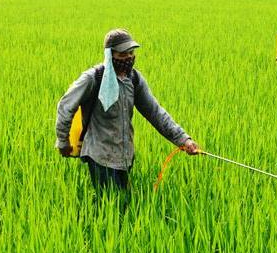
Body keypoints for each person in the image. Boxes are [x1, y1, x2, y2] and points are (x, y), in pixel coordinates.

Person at [55, 29, 199, 193]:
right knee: (110, 205)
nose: (129, 58)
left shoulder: (134, 79)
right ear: (110, 55)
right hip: (100, 156)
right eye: (123, 54)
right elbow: (65, 107)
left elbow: (155, 113)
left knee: (122, 203)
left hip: (125, 156)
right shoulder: (93, 78)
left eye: (131, 53)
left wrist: (183, 140)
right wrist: (63, 142)